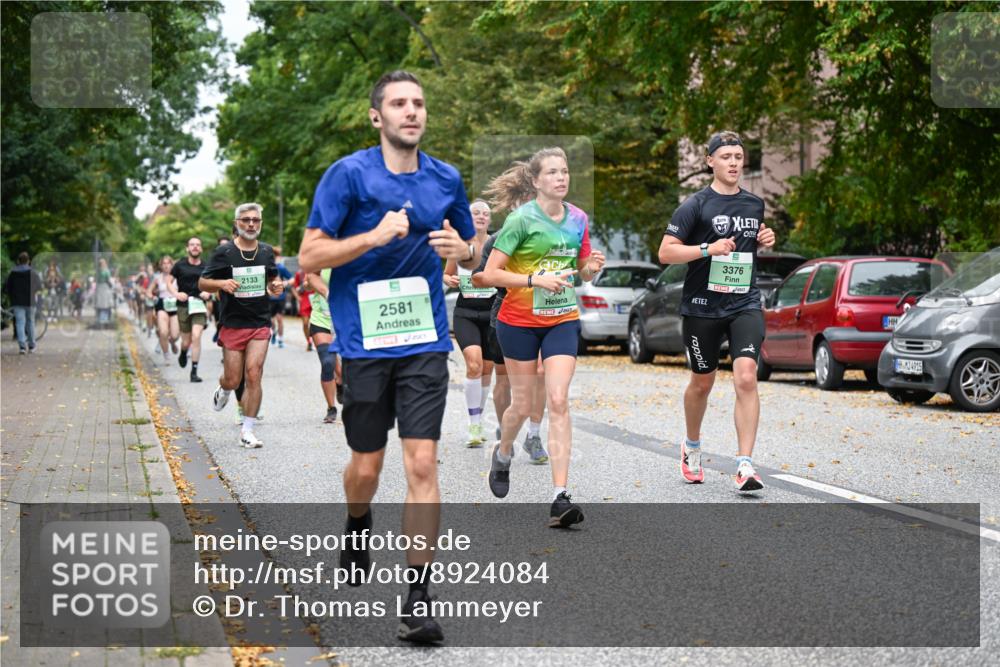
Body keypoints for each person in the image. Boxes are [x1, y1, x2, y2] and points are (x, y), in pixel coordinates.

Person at [298, 70, 479, 644]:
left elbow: (472, 252)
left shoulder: (445, 178)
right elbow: (309, 256)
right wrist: (373, 237)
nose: (411, 111)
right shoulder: (348, 175)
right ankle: (357, 521)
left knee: (422, 464)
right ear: (377, 116)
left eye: (418, 103)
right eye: (399, 103)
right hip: (364, 343)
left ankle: (417, 598)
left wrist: (462, 249)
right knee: (367, 468)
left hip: (424, 339)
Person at [479, 146, 606, 527]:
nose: (561, 178)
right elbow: (489, 274)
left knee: (558, 399)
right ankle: (503, 453)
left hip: (562, 319)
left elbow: (581, 270)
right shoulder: (520, 220)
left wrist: (591, 268)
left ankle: (559, 496)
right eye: (552, 172)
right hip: (518, 321)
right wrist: (534, 279)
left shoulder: (578, 218)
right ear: (535, 181)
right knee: (520, 405)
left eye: (564, 171)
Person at [658, 130, 776, 493]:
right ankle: (691, 446)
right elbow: (666, 252)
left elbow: (748, 247)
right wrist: (707, 249)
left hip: (744, 303)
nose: (733, 163)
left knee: (746, 376)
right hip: (702, 308)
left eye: (738, 157)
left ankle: (745, 465)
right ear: (710, 161)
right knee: (702, 382)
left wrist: (764, 240)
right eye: (726, 157)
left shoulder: (754, 204)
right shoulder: (695, 205)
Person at [199, 203, 283, 449]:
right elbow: (203, 283)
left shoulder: (266, 251)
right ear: (237, 223)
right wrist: (222, 284)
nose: (251, 224)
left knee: (254, 373)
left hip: (260, 322)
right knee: (233, 379)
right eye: (246, 220)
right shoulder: (224, 252)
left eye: (255, 220)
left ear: (260, 223)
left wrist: (275, 286)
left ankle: (247, 431)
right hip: (233, 323)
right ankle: (224, 389)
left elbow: (272, 279)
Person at [443, 199, 496, 447]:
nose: (481, 216)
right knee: (474, 364)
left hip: (492, 312)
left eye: (485, 213)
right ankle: (473, 425)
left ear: (490, 219)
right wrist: (449, 280)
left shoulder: (498, 244)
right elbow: (447, 273)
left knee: (487, 369)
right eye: (476, 212)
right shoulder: (460, 245)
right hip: (466, 312)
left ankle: (480, 418)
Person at [170, 237, 210, 383]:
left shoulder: (206, 266)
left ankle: (194, 372)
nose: (195, 247)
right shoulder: (179, 265)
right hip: (183, 306)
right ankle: (183, 351)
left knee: (196, 336)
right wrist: (176, 294)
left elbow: (213, 283)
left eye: (198, 245)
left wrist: (208, 292)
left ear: (201, 249)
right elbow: (168, 282)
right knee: (186, 342)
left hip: (199, 305)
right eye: (192, 245)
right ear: (187, 248)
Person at [305, 269, 342, 422]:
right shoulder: (323, 260)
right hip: (321, 319)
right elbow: (309, 279)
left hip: (344, 319)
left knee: (344, 367)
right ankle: (331, 408)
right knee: (327, 362)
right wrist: (309, 285)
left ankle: (340, 381)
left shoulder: (351, 259)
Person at [4, 251, 42, 353]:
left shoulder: (13, 273)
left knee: (20, 323)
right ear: (28, 261)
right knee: (30, 323)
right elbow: (39, 286)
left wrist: (12, 296)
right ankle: (32, 346)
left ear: (18, 261)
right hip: (30, 301)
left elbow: (8, 287)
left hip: (17, 301)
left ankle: (22, 347)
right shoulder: (33, 273)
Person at [146, 256, 179, 364]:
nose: (166, 265)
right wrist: (152, 297)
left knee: (175, 335)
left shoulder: (178, 277)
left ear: (172, 265)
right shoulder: (158, 278)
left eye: (168, 263)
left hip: (175, 305)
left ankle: (172, 342)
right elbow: (148, 291)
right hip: (161, 305)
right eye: (164, 263)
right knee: (163, 332)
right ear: (161, 266)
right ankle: (166, 355)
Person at [268, 246, 294, 348]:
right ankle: (273, 332)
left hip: (280, 297)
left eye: (275, 256)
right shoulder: (267, 268)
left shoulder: (281, 268)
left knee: (279, 319)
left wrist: (285, 283)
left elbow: (292, 279)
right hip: (270, 298)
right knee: (271, 320)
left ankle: (281, 340)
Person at [294, 268, 315, 351]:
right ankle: (309, 341)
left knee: (315, 324)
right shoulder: (299, 273)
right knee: (305, 323)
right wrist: (297, 297)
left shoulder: (315, 270)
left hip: (315, 300)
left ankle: (315, 341)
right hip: (304, 301)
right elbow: (294, 287)